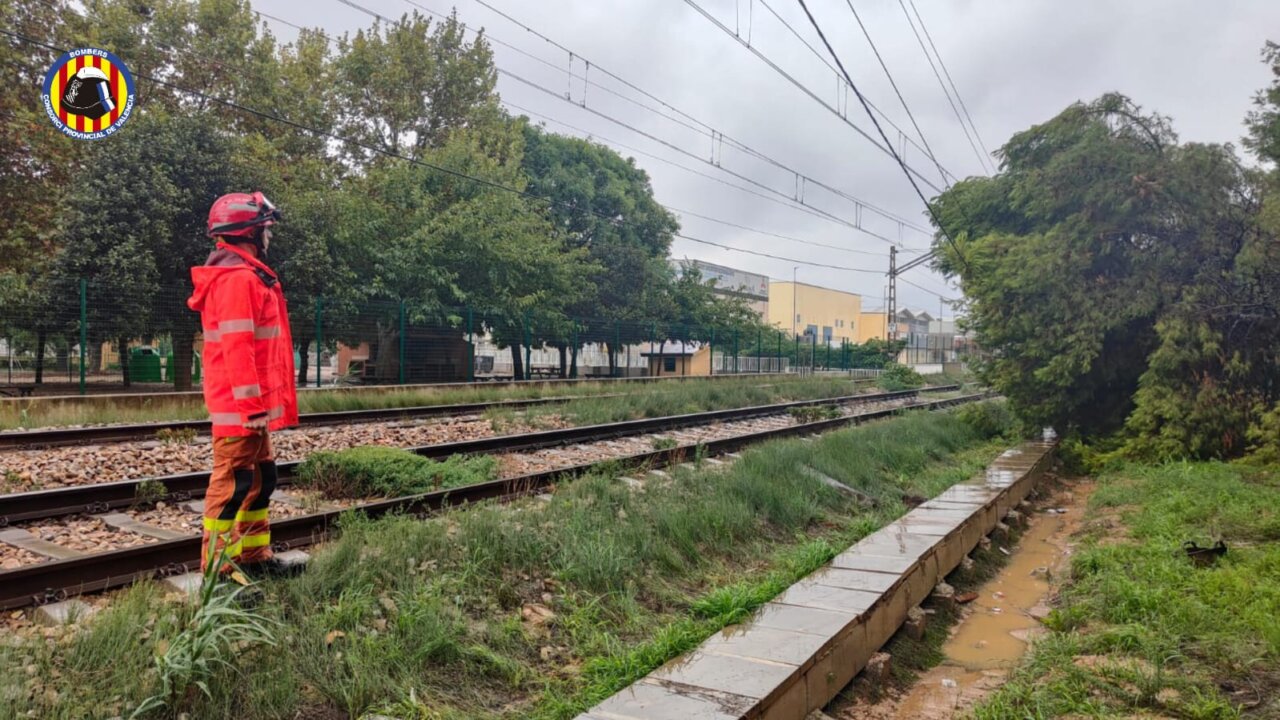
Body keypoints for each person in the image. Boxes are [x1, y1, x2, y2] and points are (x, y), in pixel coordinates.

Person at [187, 191, 299, 576]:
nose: (270, 234)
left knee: (260, 480)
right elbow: (238, 348)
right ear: (248, 231)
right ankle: (219, 573)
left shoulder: (249, 275)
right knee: (232, 486)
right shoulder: (237, 279)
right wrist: (251, 409)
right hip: (241, 410)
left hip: (252, 407)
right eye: (266, 228)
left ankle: (254, 558)